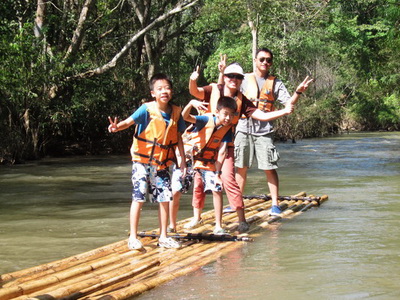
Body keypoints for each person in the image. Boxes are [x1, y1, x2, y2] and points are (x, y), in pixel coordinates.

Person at [188, 62, 294, 232]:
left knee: (229, 180)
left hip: (225, 145)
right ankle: (196, 217)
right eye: (231, 76)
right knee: (198, 182)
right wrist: (192, 80)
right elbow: (195, 92)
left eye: (238, 77)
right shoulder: (214, 89)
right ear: (225, 77)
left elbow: (261, 115)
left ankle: (241, 219)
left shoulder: (242, 100)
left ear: (241, 80)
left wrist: (283, 111)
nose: (234, 80)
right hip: (204, 144)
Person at [219, 49, 313, 215]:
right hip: (242, 128)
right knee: (241, 166)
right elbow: (224, 91)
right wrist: (222, 73)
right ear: (255, 60)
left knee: (269, 166)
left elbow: (288, 104)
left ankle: (275, 203)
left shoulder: (275, 83)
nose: (265, 63)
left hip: (264, 130)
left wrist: (298, 92)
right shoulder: (242, 79)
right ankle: (236, 203)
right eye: (261, 59)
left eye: (268, 60)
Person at [108, 73, 187, 250]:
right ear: (153, 93)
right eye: (160, 89)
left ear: (171, 91)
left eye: (167, 88)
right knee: (139, 196)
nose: (164, 91)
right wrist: (116, 127)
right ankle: (133, 237)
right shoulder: (146, 109)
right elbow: (128, 122)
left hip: (162, 163)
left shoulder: (176, 112)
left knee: (165, 197)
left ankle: (164, 237)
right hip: (142, 162)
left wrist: (182, 161)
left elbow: (179, 138)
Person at [182, 96, 237, 234]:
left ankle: (218, 225)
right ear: (217, 112)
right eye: (225, 114)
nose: (228, 118)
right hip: (196, 160)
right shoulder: (205, 119)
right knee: (197, 188)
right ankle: (197, 218)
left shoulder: (226, 129)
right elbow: (185, 116)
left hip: (211, 162)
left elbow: (223, 151)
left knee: (217, 189)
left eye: (231, 115)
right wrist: (190, 103)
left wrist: (218, 174)